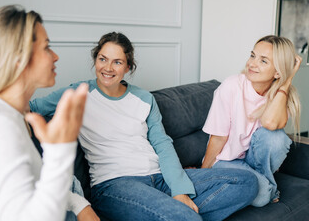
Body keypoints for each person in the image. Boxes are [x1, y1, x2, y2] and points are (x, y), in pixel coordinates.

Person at [30, 31, 259, 221]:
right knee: (183, 217)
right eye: (102, 59)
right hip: (115, 184)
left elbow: (162, 145)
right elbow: (30, 107)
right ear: (95, 60)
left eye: (117, 61)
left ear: (128, 66)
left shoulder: (144, 98)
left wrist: (179, 189)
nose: (108, 67)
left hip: (158, 177)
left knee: (247, 182)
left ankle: (173, 212)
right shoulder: (78, 92)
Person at [0, 5, 100, 221]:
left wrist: (79, 204)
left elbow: (33, 188)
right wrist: (60, 150)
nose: (55, 56)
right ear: (18, 58)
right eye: (47, 48)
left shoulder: (10, 116)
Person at [201, 35, 302, 207]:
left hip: (252, 159)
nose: (252, 64)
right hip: (225, 160)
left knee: (277, 137)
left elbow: (270, 124)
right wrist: (203, 175)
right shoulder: (231, 86)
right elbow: (218, 138)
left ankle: (262, 183)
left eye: (263, 61)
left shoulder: (280, 96)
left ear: (278, 72)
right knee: (262, 197)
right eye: (253, 55)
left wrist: (287, 82)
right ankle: (269, 188)